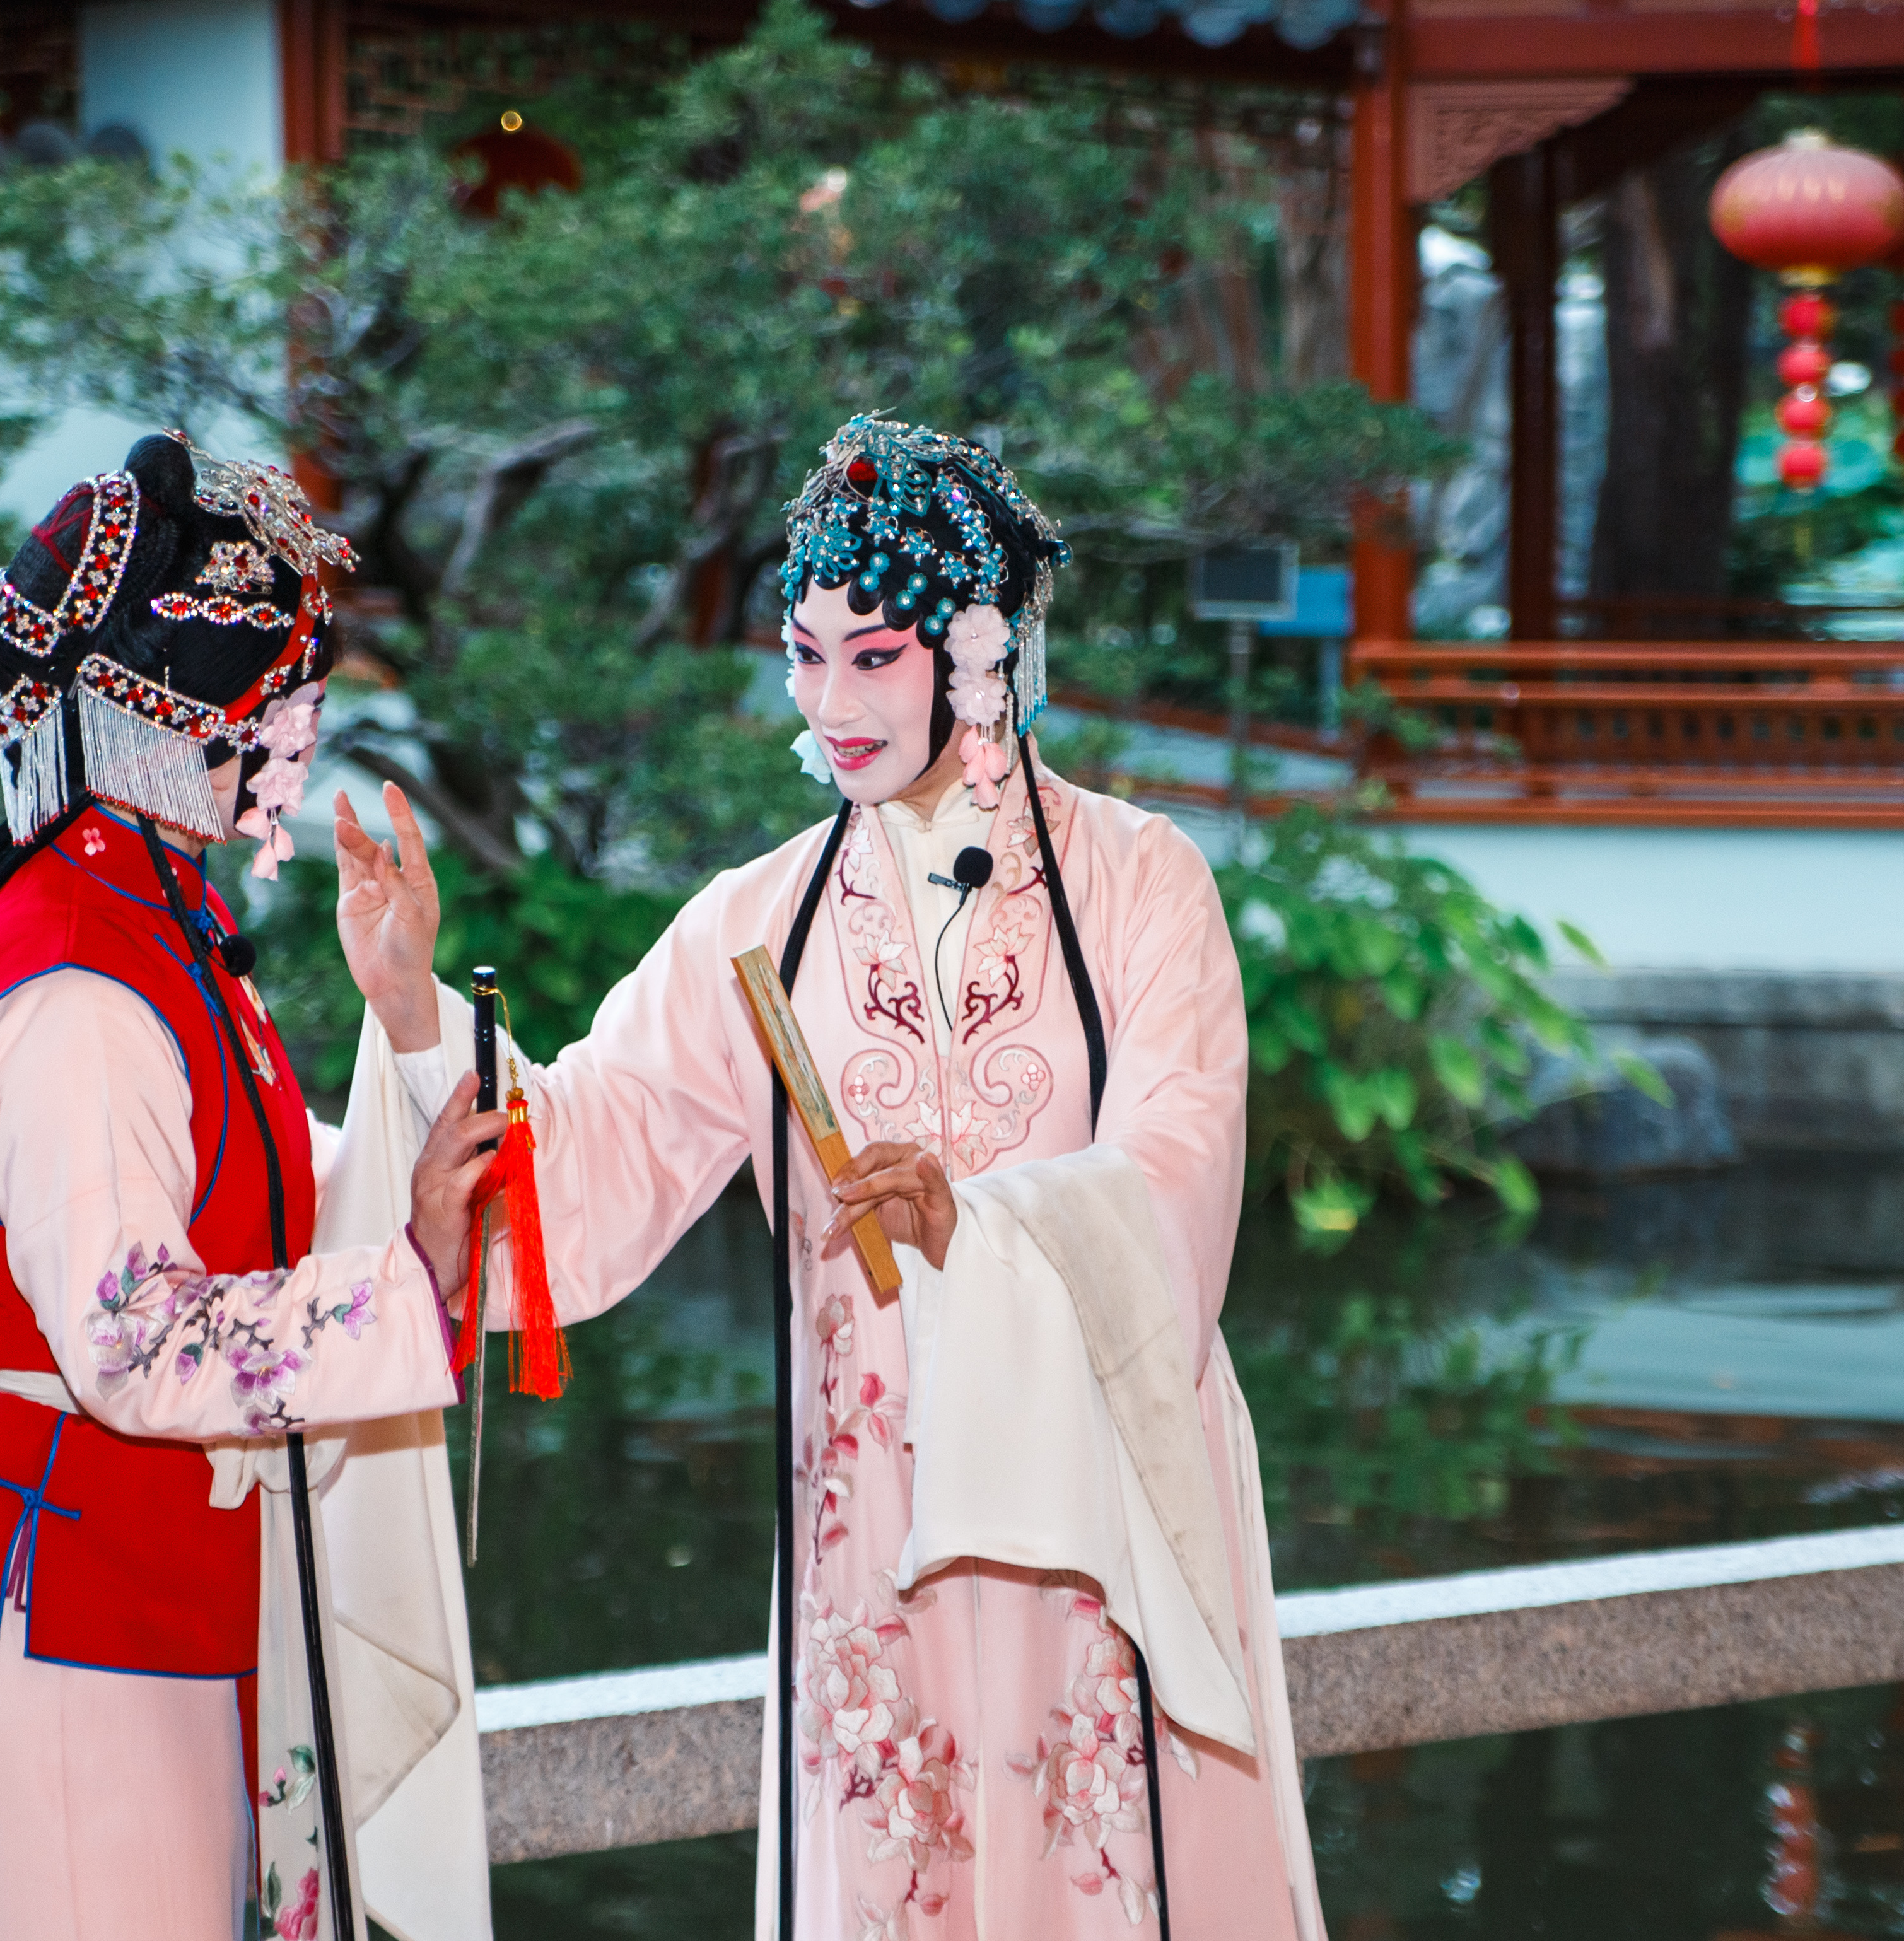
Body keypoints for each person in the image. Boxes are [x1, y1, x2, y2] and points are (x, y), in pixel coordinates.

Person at [352, 416, 1321, 1937]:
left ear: (981, 652)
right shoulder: (761, 921)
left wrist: (979, 1227)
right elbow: (591, 1156)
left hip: (1097, 1519)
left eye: (874, 658)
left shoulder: (1143, 883)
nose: (827, 701)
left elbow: (1179, 1178)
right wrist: (419, 1010)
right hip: (870, 1531)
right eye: (807, 657)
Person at [0, 432, 496, 1941]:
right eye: (272, 712)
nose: (287, 750)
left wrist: (406, 1015)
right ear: (182, 718)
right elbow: (136, 1337)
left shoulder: (139, 919)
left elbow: (266, 1199)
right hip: (61, 1607)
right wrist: (410, 1283)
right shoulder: (84, 992)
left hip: (114, 1587)